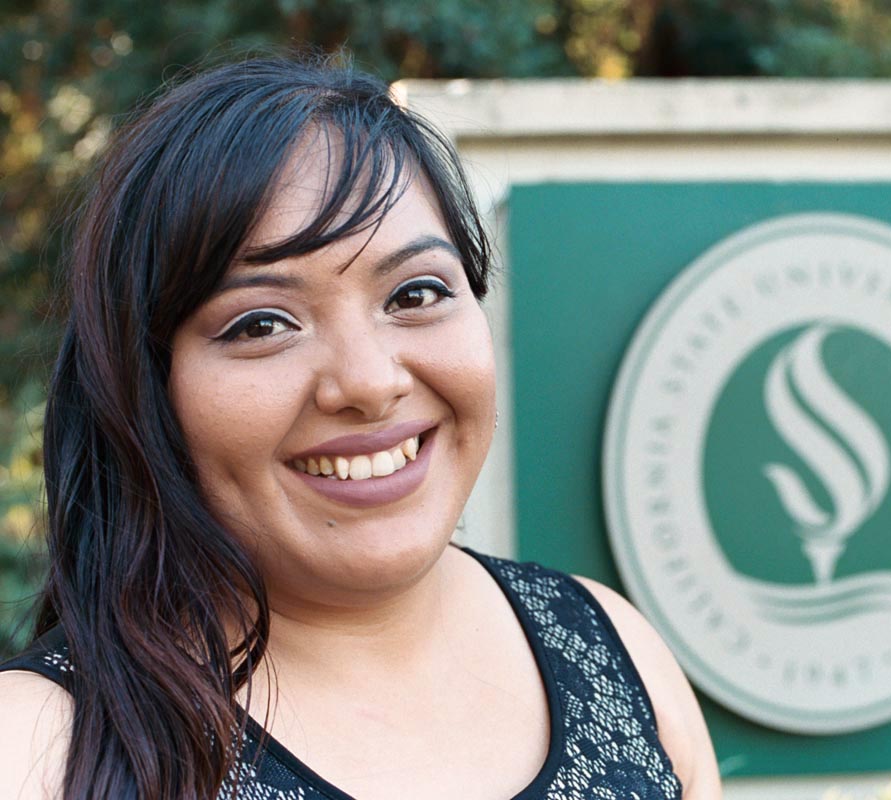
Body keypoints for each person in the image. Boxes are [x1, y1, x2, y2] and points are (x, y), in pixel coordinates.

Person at [0, 55, 720, 799]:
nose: (371, 383)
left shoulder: (615, 654)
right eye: (262, 323)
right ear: (146, 384)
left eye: (415, 292)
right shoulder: (39, 750)